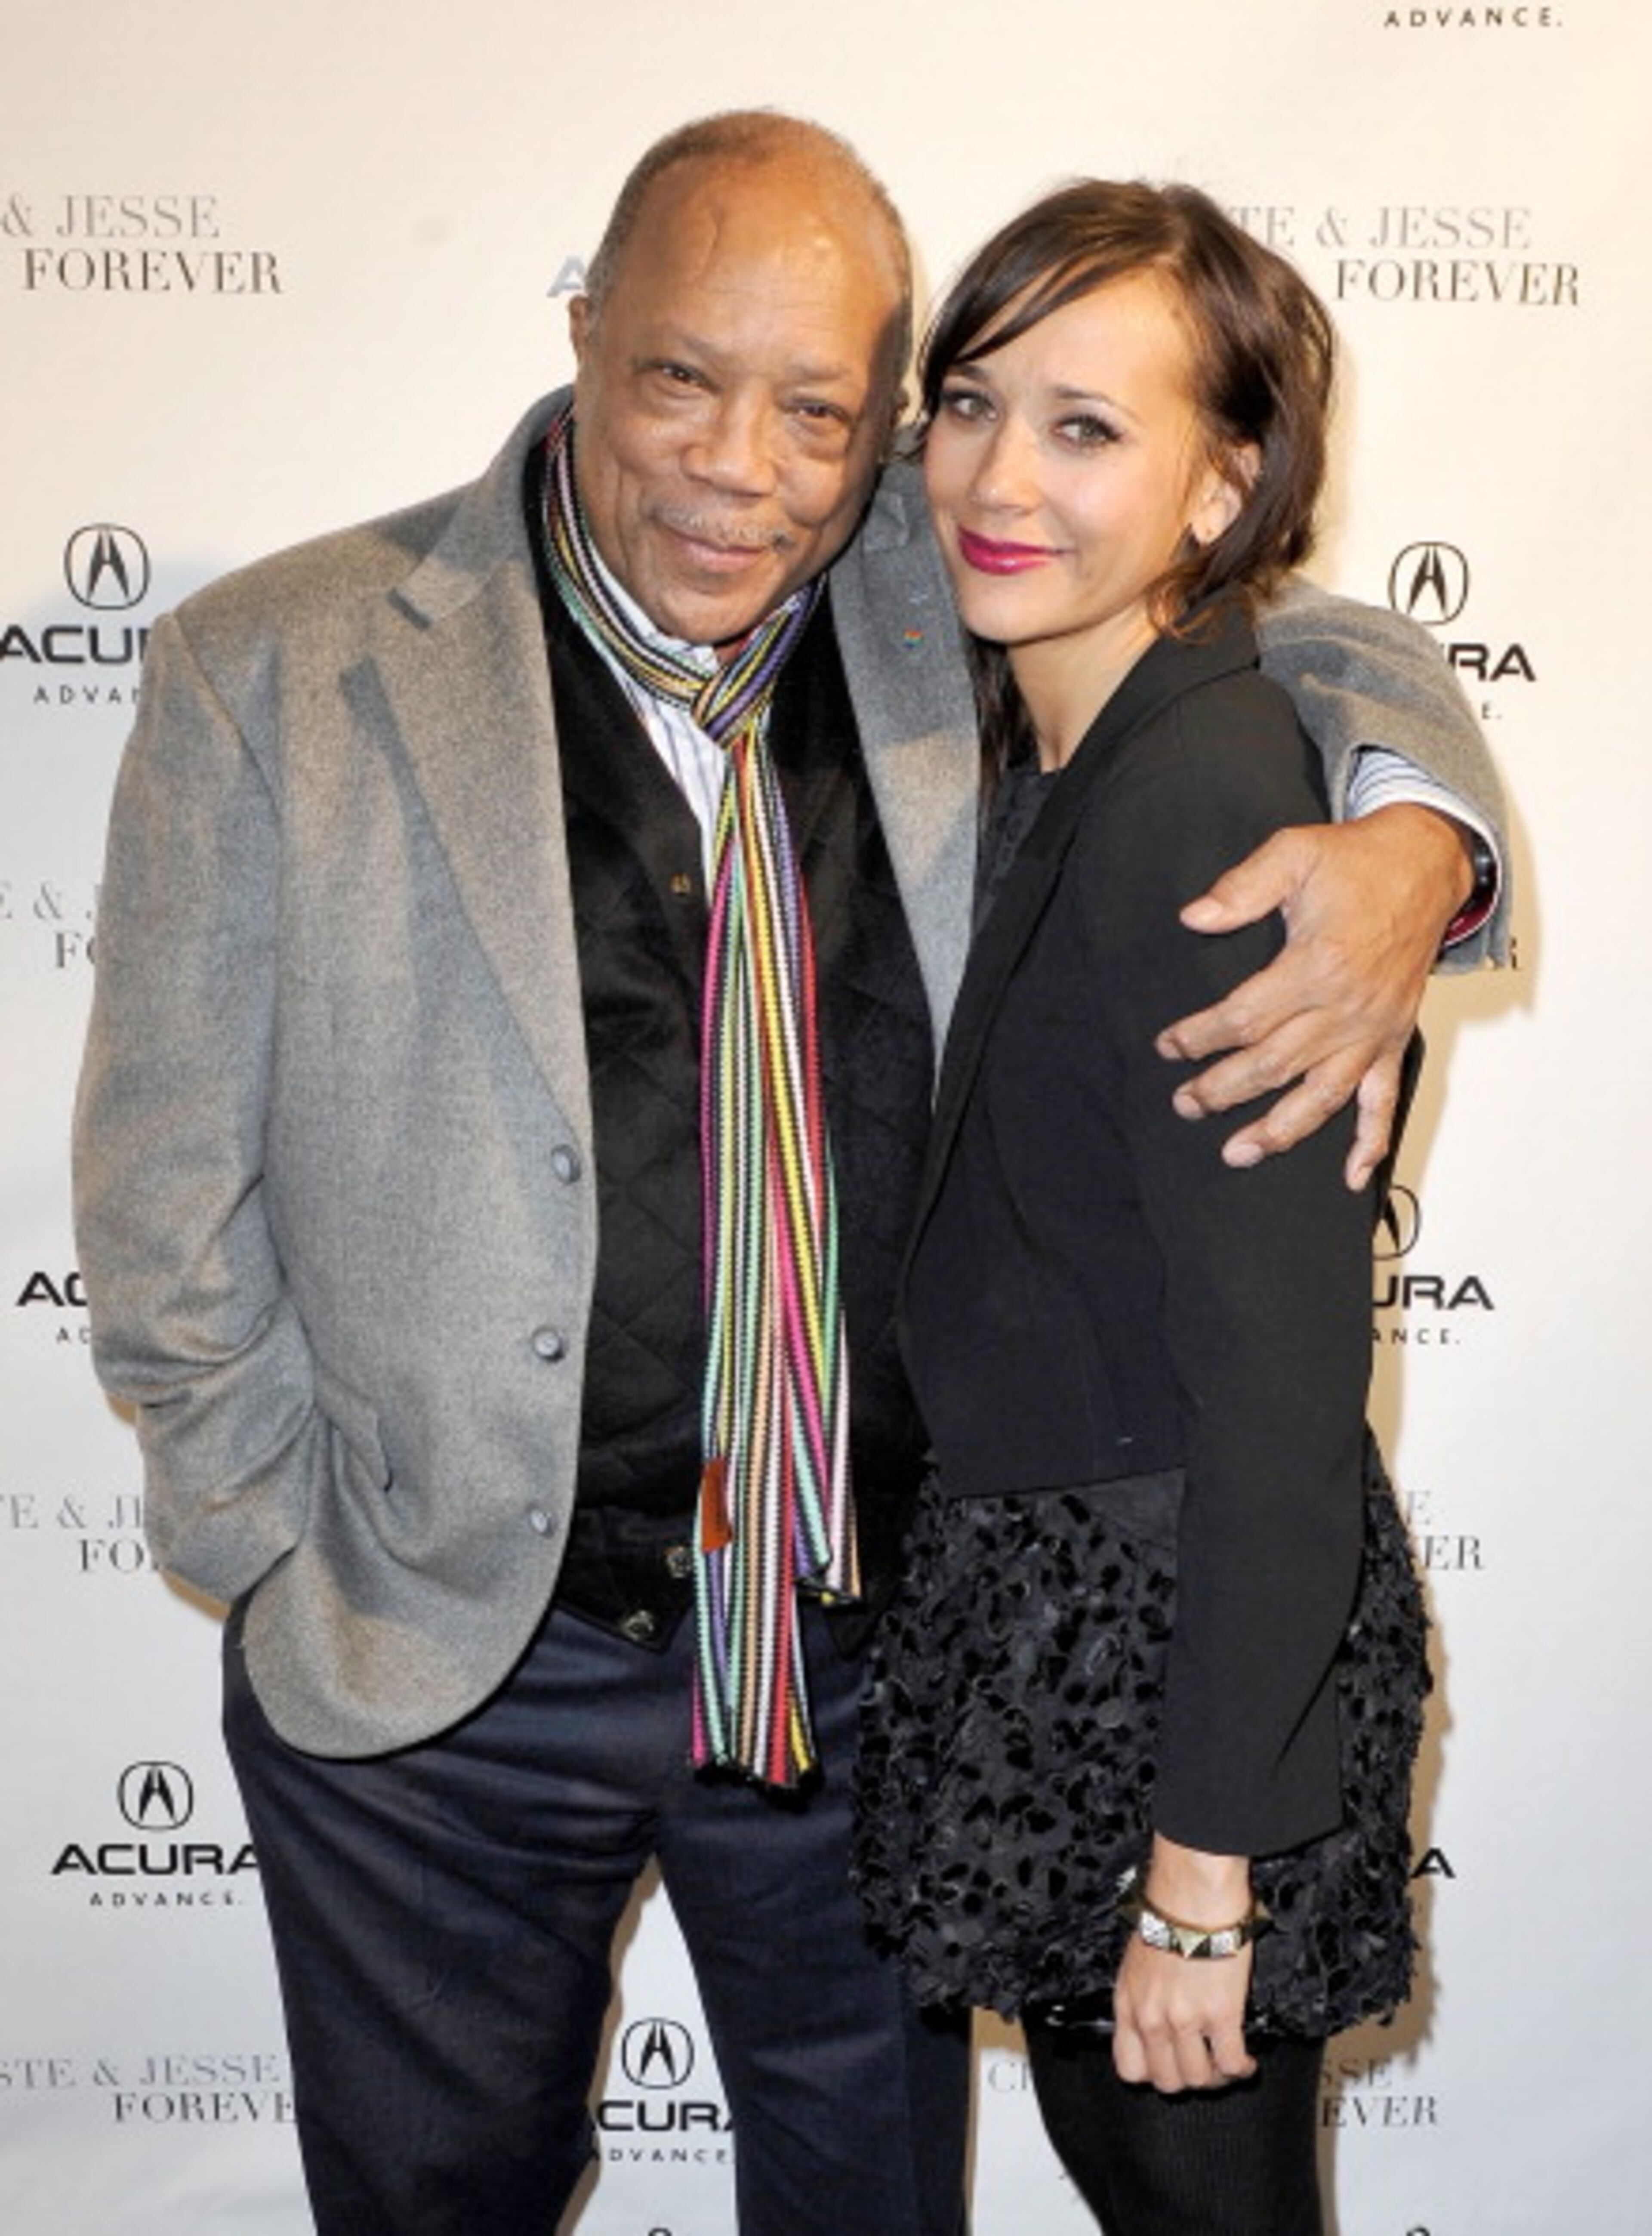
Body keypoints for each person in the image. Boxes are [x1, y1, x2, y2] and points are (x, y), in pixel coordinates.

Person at [72, 114, 1504, 2236]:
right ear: (582, 335)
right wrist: (281, 1549)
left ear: (880, 421)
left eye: (821, 408)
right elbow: (158, 1190)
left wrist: (1420, 847)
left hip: (859, 1664)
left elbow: (1296, 626)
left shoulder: (949, 587)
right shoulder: (278, 664)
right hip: (441, 1676)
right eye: (678, 378)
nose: (742, 464)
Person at [852, 179, 1455, 2234]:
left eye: (1090, 428)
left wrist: (1205, 1876)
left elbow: (1287, 1395)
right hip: (1061, 1631)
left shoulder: (1208, 804)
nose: (1001, 477)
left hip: (1181, 1661)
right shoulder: (1051, 740)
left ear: (1222, 491)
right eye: (973, 403)